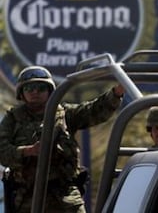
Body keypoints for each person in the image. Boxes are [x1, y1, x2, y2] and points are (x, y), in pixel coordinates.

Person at [0, 65, 125, 212]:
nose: (35, 92)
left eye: (40, 88)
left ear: (49, 91)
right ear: (21, 93)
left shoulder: (65, 115)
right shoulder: (13, 119)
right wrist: (29, 151)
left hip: (65, 196)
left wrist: (116, 94)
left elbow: (93, 111)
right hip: (28, 198)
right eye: (29, 88)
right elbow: (2, 152)